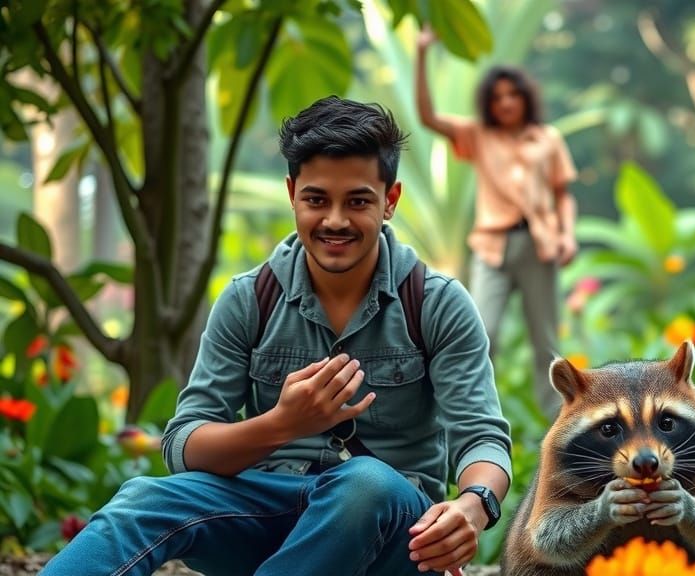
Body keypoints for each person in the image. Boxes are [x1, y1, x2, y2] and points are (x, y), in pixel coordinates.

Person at [41, 97, 512, 576]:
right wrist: (282, 425)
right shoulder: (250, 299)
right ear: (292, 194)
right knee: (144, 498)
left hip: (394, 533)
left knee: (366, 484)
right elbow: (184, 443)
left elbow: (483, 438)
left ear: (389, 200)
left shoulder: (435, 302)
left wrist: (472, 506)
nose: (334, 220)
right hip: (268, 517)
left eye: (358, 201)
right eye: (315, 199)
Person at [415, 28, 578, 420]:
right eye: (498, 96)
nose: (506, 103)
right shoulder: (478, 135)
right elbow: (428, 117)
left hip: (539, 244)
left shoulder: (547, 139)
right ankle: (471, 416)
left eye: (513, 94)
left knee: (547, 341)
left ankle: (557, 426)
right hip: (492, 245)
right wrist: (421, 54)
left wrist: (567, 235)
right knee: (481, 331)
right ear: (489, 103)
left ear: (525, 97)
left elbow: (563, 193)